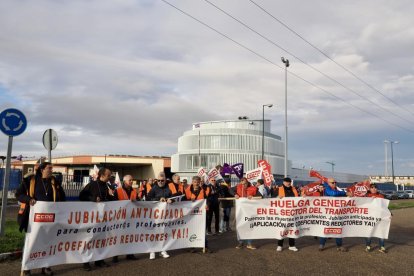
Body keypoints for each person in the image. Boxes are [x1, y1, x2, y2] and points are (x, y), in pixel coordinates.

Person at [16, 162, 66, 276]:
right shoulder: (30, 180)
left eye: (52, 168)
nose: (51, 170)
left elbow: (62, 197)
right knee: (32, 243)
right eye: (49, 168)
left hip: (51, 219)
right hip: (33, 219)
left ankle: (46, 266)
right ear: (42, 169)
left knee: (48, 243)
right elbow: (18, 194)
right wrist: (28, 199)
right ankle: (27, 268)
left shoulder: (54, 182)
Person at [79, 167, 113, 271]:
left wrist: (111, 195)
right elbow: (81, 196)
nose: (110, 177)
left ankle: (99, 260)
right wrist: (93, 199)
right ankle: (86, 262)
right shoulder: (92, 184)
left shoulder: (107, 186)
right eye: (108, 175)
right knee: (89, 239)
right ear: (102, 175)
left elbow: (108, 200)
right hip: (91, 217)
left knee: (101, 240)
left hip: (103, 218)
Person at [319, 178, 351, 252]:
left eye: (335, 182)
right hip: (328, 213)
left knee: (338, 229)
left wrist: (348, 196)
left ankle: (339, 246)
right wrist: (345, 193)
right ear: (329, 183)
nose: (334, 184)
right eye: (332, 183)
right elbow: (333, 193)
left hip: (337, 213)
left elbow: (341, 197)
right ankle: (321, 244)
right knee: (326, 228)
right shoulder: (327, 188)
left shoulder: (337, 189)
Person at [112, 175, 139, 263]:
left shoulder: (134, 191)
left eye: (132, 180)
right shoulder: (118, 190)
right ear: (124, 181)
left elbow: (138, 202)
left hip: (131, 218)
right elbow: (113, 203)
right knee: (118, 236)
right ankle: (115, 255)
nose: (131, 181)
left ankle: (129, 254)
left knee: (130, 236)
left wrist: (137, 201)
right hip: (120, 218)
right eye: (130, 180)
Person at [146, 172, 172, 260]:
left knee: (164, 233)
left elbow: (175, 197)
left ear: (165, 180)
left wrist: (171, 200)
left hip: (166, 215)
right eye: (159, 180)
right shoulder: (154, 188)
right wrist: (158, 199)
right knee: (153, 232)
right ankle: (152, 250)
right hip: (155, 216)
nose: (160, 182)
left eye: (162, 180)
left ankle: (162, 250)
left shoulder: (169, 187)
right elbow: (147, 199)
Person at [272, 177, 299, 252]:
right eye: (287, 182)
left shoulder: (294, 189)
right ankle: (279, 245)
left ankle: (292, 245)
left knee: (292, 228)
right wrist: (278, 197)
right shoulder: (279, 189)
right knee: (282, 229)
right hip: (282, 213)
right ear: (283, 182)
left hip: (292, 213)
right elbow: (272, 198)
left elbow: (298, 199)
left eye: (289, 182)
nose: (288, 183)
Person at [184, 176, 210, 253]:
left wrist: (207, 204)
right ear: (192, 182)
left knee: (202, 229)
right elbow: (184, 200)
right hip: (191, 214)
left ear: (200, 182)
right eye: (195, 182)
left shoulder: (203, 190)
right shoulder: (187, 190)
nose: (196, 184)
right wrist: (190, 199)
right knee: (192, 229)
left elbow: (207, 199)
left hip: (201, 214)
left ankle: (205, 246)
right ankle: (192, 246)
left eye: (198, 182)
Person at [234, 178, 257, 250]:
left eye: (245, 183)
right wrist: (235, 194)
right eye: (242, 184)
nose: (243, 185)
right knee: (240, 226)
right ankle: (240, 242)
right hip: (240, 211)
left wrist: (253, 197)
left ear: (247, 182)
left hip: (250, 211)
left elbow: (260, 196)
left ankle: (249, 243)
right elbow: (230, 190)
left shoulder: (253, 188)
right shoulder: (238, 187)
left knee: (249, 226)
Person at [365, 184, 387, 253]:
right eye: (372, 188)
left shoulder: (381, 196)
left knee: (381, 232)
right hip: (369, 217)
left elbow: (385, 207)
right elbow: (362, 205)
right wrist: (370, 200)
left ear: (377, 189)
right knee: (369, 233)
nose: (374, 189)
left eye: (375, 188)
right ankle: (368, 246)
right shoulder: (366, 196)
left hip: (380, 217)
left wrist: (390, 213)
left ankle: (382, 247)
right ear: (369, 189)